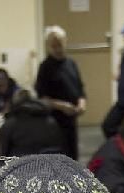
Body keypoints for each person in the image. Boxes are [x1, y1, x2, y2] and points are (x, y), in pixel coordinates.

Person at [34, 25, 86, 159]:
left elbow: (80, 89)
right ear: (48, 46)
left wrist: (81, 103)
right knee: (60, 156)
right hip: (54, 120)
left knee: (73, 154)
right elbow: (42, 98)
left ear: (65, 42)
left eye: (60, 44)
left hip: (71, 118)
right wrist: (62, 106)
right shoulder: (45, 67)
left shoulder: (71, 63)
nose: (58, 49)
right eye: (54, 46)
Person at [0, 89, 65, 157]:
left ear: (14, 103)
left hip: (21, 166)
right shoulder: (51, 121)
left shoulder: (10, 124)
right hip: (51, 165)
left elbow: (1, 153)